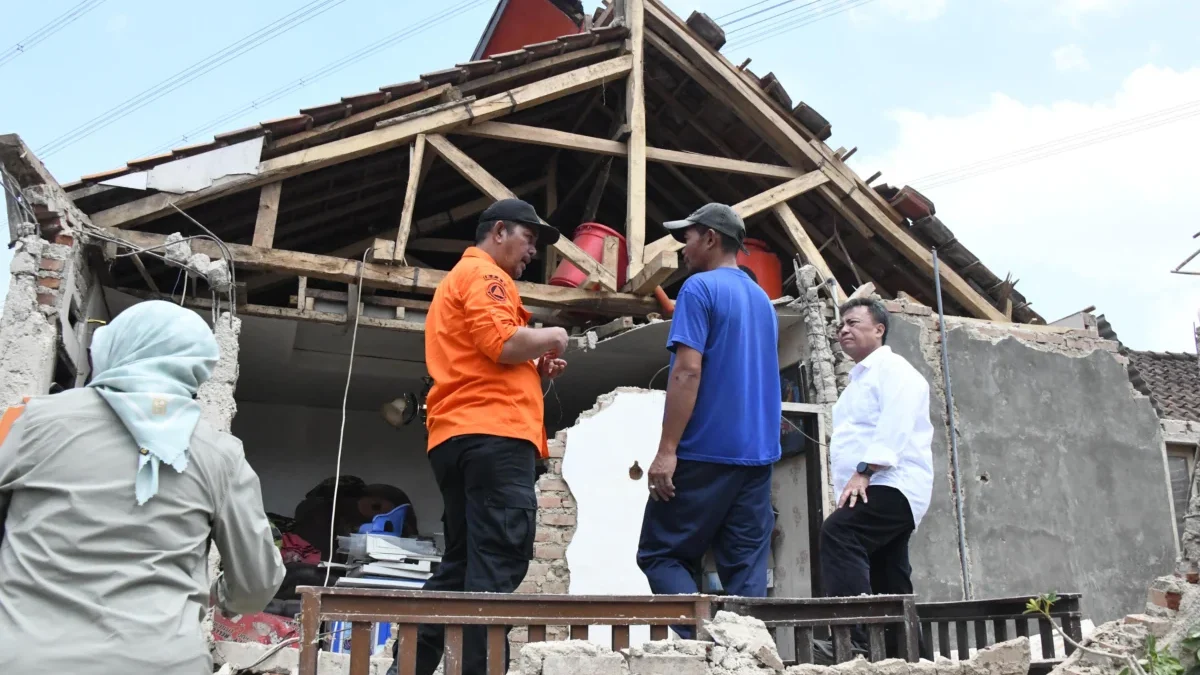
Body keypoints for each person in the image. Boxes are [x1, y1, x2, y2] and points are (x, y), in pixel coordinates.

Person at [0, 300, 284, 675]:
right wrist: (219, 595)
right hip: (162, 661)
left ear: (112, 347)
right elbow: (257, 585)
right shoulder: (220, 455)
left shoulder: (29, 422)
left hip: (28, 658)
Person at [395, 198, 568, 675]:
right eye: (528, 238)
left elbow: (488, 353)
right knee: (495, 569)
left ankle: (406, 670)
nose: (533, 250)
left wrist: (534, 363)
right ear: (497, 233)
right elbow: (503, 342)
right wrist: (553, 336)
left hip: (458, 436)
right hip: (494, 436)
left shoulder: (458, 281)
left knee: (461, 568)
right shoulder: (488, 277)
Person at [636, 203, 781, 638]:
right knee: (744, 577)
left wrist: (666, 451)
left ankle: (701, 650)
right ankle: (746, 656)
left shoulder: (699, 289)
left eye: (689, 236)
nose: (684, 247)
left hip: (704, 452)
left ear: (711, 239)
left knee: (661, 555)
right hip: (757, 458)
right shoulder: (762, 301)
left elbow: (687, 371)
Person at [821, 297, 934, 656]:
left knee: (840, 532)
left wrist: (865, 470)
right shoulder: (858, 382)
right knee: (888, 571)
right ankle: (912, 655)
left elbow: (894, 425)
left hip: (893, 482)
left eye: (853, 323)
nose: (843, 330)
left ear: (879, 329)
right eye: (841, 325)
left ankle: (855, 640)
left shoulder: (895, 371)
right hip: (875, 483)